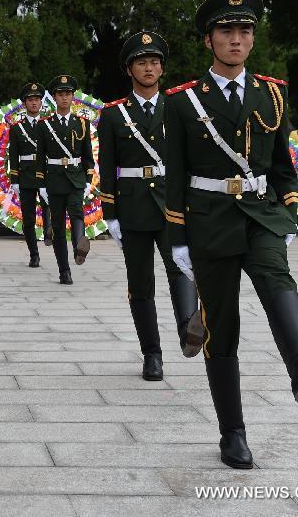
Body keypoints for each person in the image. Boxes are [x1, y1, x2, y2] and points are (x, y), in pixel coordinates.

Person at [165, 0, 298, 469]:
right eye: (227, 31)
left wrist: (287, 212)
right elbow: (174, 176)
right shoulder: (182, 102)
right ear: (209, 40)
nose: (237, 39)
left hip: (262, 213)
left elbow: (283, 163)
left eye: (244, 30)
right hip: (208, 221)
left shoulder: (273, 93)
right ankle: (233, 433)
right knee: (222, 328)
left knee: (277, 278)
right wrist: (178, 239)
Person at [98, 31, 202, 381]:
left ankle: (189, 328)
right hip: (134, 208)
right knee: (141, 283)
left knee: (181, 268)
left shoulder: (179, 107)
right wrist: (110, 213)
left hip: (173, 204)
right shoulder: (113, 115)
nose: (149, 67)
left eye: (155, 61)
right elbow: (106, 166)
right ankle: (152, 354)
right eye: (142, 62)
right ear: (130, 69)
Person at [43, 75, 93, 284]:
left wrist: (89, 179)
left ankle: (79, 248)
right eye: (60, 94)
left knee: (76, 212)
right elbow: (39, 155)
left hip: (75, 178)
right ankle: (64, 270)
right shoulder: (45, 125)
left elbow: (88, 156)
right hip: (54, 179)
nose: (65, 98)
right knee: (57, 226)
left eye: (68, 94)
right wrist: (40, 185)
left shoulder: (82, 124)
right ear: (54, 97)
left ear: (73, 97)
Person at [8, 83, 47, 267]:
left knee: (51, 212)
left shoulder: (48, 124)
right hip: (26, 176)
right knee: (29, 218)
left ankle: (49, 234)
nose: (34, 103)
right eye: (30, 100)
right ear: (24, 103)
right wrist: (14, 179)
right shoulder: (17, 128)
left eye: (37, 99)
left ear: (41, 102)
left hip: (46, 175)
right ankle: (34, 253)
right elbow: (13, 156)